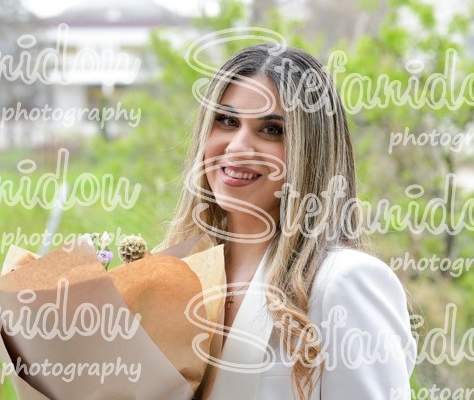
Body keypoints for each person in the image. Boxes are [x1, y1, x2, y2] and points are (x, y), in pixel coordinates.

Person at [159, 43, 417, 400]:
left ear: (310, 151)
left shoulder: (343, 283)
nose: (237, 147)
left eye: (271, 130)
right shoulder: (178, 273)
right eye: (228, 121)